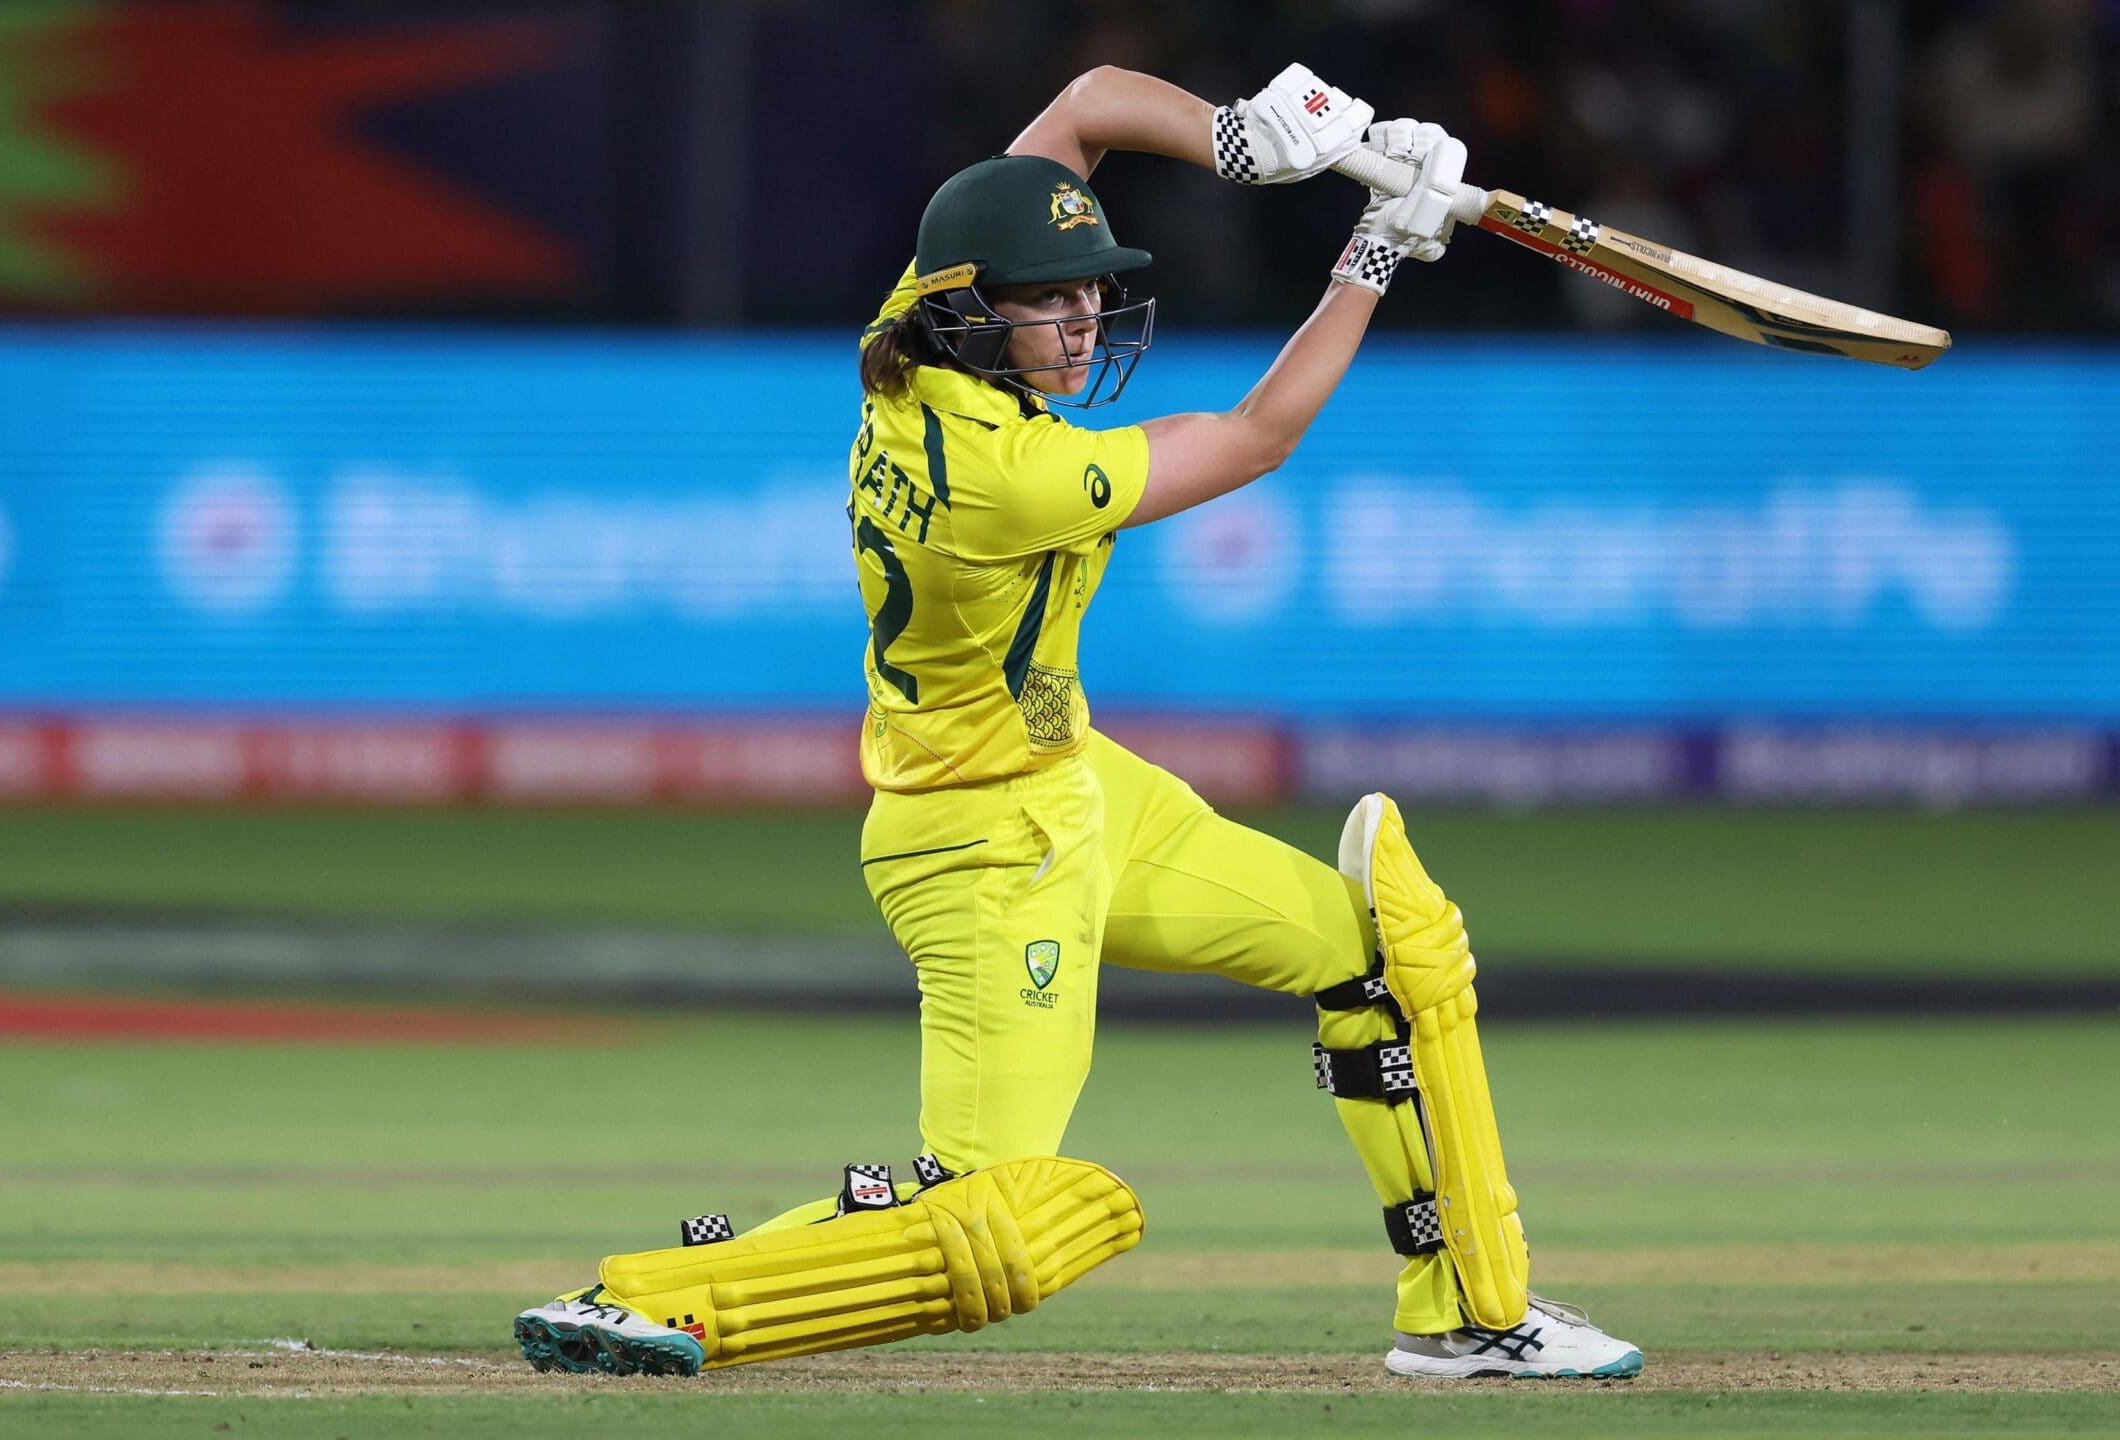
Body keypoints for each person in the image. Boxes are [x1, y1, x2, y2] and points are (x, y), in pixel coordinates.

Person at [515, 63, 1642, 1383]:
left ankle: (1465, 1308)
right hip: (987, 847)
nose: (1084, 317)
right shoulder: (1012, 475)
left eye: (1091, 287)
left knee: (1381, 951)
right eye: (1050, 298)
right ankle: (657, 1298)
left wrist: (1246, 139)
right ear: (973, 312)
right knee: (991, 1211)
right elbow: (1260, 433)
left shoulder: (903, 336)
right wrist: (1378, 246)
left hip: (1076, 786)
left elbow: (1090, 106)